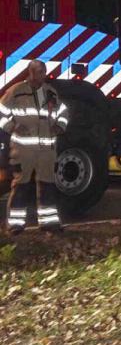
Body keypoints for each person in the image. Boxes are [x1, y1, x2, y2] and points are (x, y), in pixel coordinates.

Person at [0, 60, 68, 234]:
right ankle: (15, 225)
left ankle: (49, 223)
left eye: (43, 72)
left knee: (47, 186)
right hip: (23, 149)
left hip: (46, 150)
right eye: (38, 72)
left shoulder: (50, 92)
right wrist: (12, 126)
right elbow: (1, 112)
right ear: (30, 72)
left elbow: (63, 112)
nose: (42, 75)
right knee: (21, 186)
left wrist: (60, 126)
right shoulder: (15, 92)